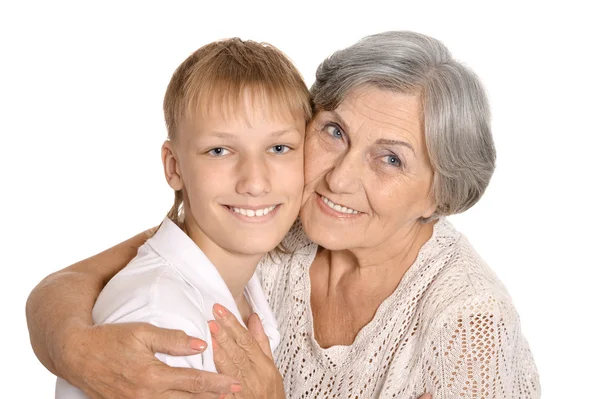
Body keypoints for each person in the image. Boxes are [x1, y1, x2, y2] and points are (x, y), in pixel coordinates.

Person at [27, 31, 540, 399]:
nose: (339, 179)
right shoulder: (277, 220)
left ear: (440, 197)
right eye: (335, 132)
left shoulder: (469, 325)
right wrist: (78, 351)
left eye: (390, 159)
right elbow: (76, 281)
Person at [54, 37, 312, 398]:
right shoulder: (162, 321)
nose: (255, 182)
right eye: (219, 150)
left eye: (278, 148)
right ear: (174, 167)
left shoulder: (244, 287)